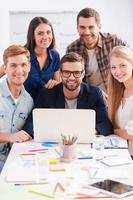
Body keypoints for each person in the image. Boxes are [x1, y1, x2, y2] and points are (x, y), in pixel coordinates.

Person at [23, 52, 113, 136]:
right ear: (61, 73)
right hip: (54, 142)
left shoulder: (95, 93)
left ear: (83, 74)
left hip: (83, 143)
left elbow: (105, 124)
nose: (71, 78)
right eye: (66, 72)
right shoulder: (46, 94)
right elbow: (30, 124)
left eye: (77, 73)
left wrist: (89, 131)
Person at [66, 8, 127, 92]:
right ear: (77, 28)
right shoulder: (72, 49)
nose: (87, 32)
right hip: (90, 98)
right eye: (82, 27)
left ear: (99, 27)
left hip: (117, 94)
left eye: (91, 27)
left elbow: (130, 62)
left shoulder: (114, 41)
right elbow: (72, 80)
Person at [0, 45, 33, 172]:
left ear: (29, 67)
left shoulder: (29, 101)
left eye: (23, 65)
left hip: (15, 158)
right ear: (5, 68)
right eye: (13, 65)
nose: (19, 71)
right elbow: (12, 137)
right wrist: (10, 136)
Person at [24, 16, 61, 100]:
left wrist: (55, 83)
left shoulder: (55, 55)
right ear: (33, 36)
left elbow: (58, 84)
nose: (45, 37)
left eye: (48, 32)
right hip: (24, 106)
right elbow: (4, 69)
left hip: (45, 105)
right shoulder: (22, 54)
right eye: (40, 33)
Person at [108, 46, 133, 156]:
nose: (117, 71)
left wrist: (114, 131)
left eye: (122, 65)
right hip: (122, 154)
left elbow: (130, 135)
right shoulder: (118, 92)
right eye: (113, 67)